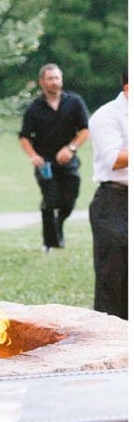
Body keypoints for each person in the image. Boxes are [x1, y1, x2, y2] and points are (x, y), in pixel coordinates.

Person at [18, 64, 90, 252]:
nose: (54, 82)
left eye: (57, 78)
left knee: (69, 199)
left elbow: (85, 130)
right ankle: (50, 243)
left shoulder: (74, 102)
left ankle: (58, 224)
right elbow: (24, 137)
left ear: (62, 80)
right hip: (45, 162)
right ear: (42, 82)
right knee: (50, 201)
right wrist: (33, 156)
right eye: (50, 78)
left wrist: (71, 148)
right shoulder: (34, 107)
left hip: (68, 158)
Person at [87, 71, 128, 319]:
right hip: (114, 202)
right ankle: (111, 346)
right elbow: (114, 160)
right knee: (113, 278)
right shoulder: (106, 116)